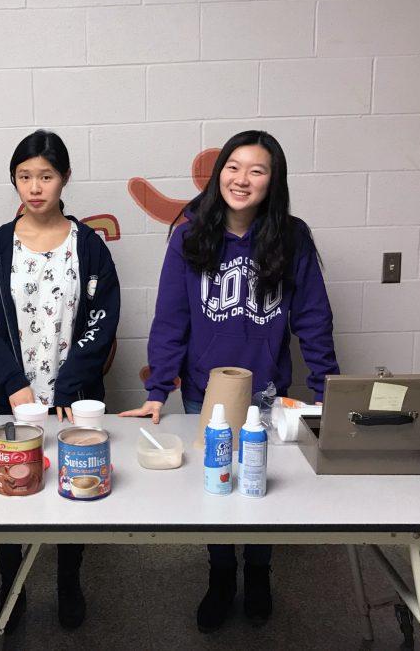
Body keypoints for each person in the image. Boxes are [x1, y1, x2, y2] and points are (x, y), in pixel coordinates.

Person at [122, 130, 339, 632]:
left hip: (268, 388)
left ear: (273, 180)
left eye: (256, 170)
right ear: (219, 172)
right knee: (218, 480)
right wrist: (158, 392)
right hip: (205, 389)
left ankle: (259, 573)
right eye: (233, 167)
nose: (241, 179)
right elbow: (170, 318)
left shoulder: (292, 236)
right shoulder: (190, 233)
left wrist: (327, 390)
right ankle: (221, 575)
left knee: (259, 479)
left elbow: (313, 317)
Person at [0, 130, 120, 632]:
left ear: (64, 179)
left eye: (45, 176)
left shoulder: (88, 247)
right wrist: (13, 381)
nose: (35, 187)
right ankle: (12, 582)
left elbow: (102, 318)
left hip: (75, 401)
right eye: (25, 176)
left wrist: (73, 384)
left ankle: (69, 580)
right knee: (15, 488)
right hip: (14, 400)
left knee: (76, 486)